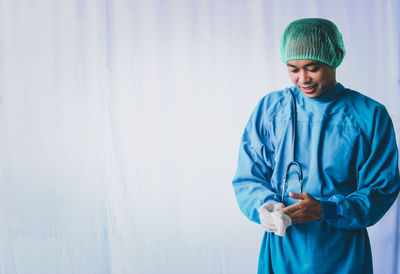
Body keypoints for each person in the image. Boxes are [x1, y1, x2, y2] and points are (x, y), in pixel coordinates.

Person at [232, 18, 400, 274]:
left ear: (334, 58)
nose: (303, 79)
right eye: (293, 69)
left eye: (312, 67)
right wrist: (266, 206)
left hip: (342, 250)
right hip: (284, 244)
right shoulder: (271, 110)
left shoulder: (369, 115)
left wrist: (327, 209)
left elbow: (382, 188)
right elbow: (248, 177)